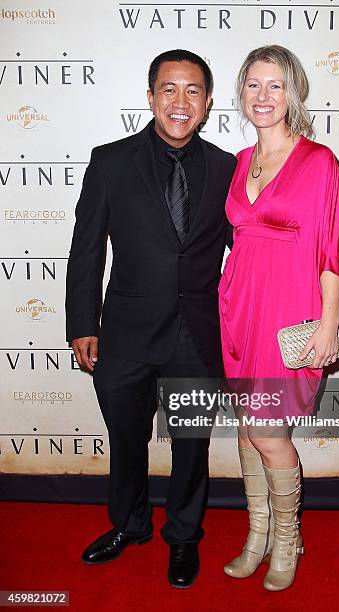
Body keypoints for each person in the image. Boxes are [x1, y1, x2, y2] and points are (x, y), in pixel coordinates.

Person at [65, 49, 236, 588]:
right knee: (125, 437)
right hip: (127, 333)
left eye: (192, 92)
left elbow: (248, 252)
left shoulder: (229, 168)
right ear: (150, 97)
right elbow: (86, 249)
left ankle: (183, 537)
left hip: (197, 332)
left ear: (207, 103)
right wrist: (81, 324)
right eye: (169, 89)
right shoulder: (110, 161)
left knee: (191, 444)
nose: (179, 102)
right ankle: (130, 525)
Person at [219, 45, 339, 591]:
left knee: (269, 432)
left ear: (293, 92)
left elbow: (332, 248)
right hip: (238, 308)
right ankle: (257, 536)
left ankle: (288, 541)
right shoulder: (241, 162)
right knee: (248, 433)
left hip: (287, 311)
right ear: (241, 93)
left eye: (274, 85)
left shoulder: (319, 162)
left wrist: (327, 322)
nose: (263, 96)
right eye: (253, 84)